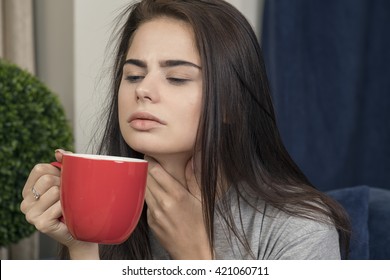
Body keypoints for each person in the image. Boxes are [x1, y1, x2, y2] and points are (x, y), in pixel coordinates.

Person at [20, 0, 350, 260]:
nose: (143, 90)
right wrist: (82, 246)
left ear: (232, 106)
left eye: (177, 78)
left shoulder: (301, 228)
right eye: (133, 76)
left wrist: (195, 258)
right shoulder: (110, 219)